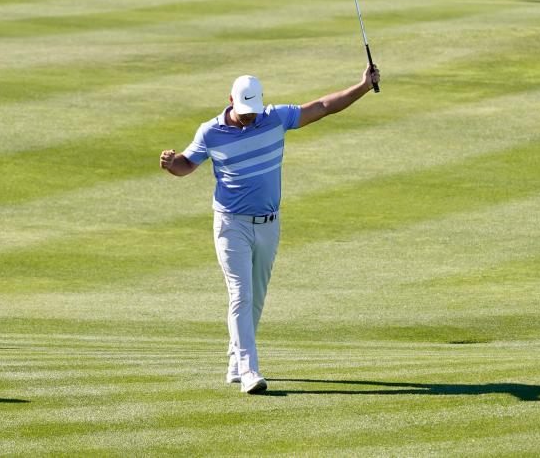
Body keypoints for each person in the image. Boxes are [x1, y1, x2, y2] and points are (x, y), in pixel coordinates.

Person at [160, 66, 381, 395]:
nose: (249, 118)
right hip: (231, 224)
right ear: (230, 100)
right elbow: (187, 165)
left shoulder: (275, 117)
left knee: (257, 298)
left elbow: (321, 106)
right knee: (241, 295)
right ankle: (250, 371)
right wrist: (171, 162)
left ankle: (236, 360)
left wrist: (363, 87)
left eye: (254, 112)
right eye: (244, 111)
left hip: (268, 224)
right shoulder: (211, 132)